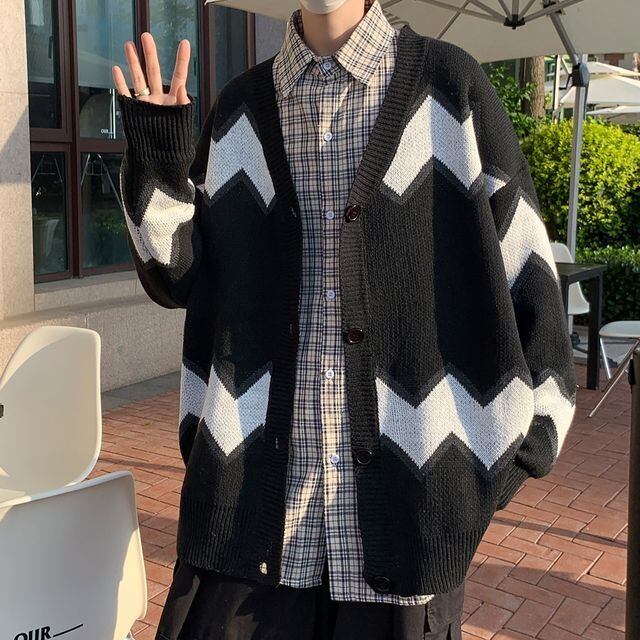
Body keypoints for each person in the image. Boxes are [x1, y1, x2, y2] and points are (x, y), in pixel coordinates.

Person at [112, 0, 577, 638]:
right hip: (249, 506)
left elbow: (534, 292)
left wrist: (484, 477)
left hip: (407, 520)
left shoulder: (451, 89)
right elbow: (174, 276)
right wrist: (158, 154)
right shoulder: (240, 108)